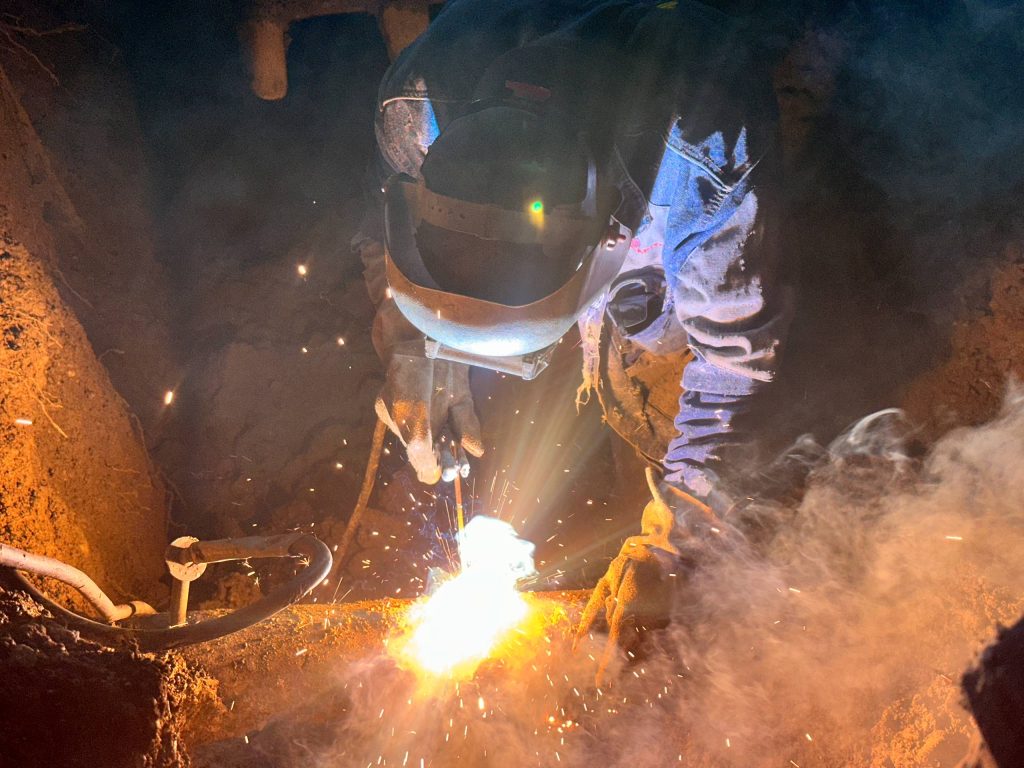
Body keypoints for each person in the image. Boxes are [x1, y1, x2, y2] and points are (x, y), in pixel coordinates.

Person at [354, 0, 789, 650]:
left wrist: (682, 539)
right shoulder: (414, 109)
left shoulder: (702, 147)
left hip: (677, 109)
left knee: (665, 392)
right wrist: (415, 344)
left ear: (607, 240)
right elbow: (382, 220)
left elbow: (737, 359)